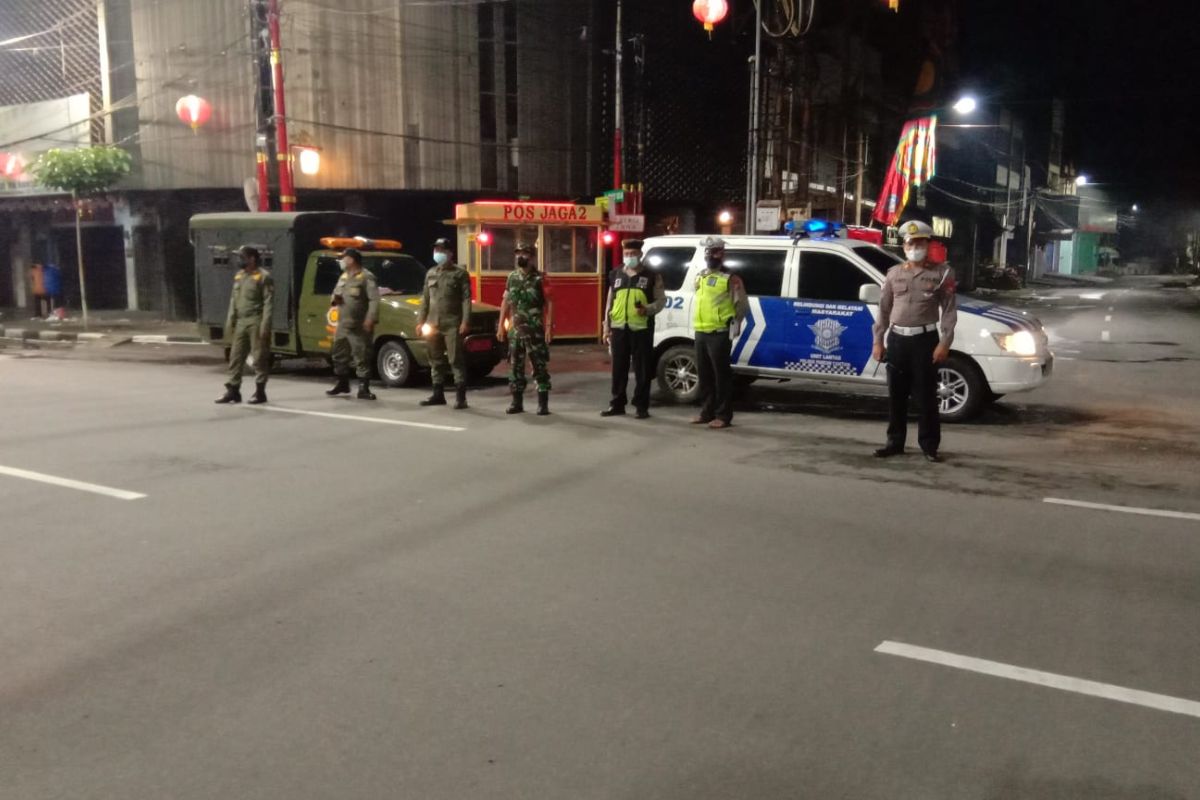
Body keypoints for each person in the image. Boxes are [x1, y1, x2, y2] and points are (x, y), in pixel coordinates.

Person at [871, 219, 958, 463]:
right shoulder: (894, 274)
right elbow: (884, 310)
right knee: (896, 395)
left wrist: (944, 343)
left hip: (925, 341)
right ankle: (894, 442)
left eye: (919, 242)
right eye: (910, 243)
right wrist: (879, 340)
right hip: (898, 340)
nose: (914, 246)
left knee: (926, 396)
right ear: (904, 245)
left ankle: (929, 445)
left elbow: (949, 311)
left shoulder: (942, 274)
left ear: (927, 244)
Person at [601, 238, 666, 419]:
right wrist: (606, 327)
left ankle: (641, 406)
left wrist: (648, 310)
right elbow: (609, 302)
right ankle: (617, 404)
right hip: (619, 328)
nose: (629, 257)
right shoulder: (616, 274)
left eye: (633, 254)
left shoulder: (652, 276)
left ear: (640, 255)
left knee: (642, 370)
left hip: (642, 328)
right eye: (627, 254)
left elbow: (661, 301)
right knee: (618, 369)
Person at [691, 236, 747, 429]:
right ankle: (706, 412)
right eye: (708, 252)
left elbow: (741, 305)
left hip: (719, 332)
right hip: (701, 331)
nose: (710, 255)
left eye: (714, 252)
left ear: (722, 254)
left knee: (720, 376)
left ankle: (723, 415)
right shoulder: (700, 275)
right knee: (704, 375)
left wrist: (735, 325)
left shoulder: (730, 278)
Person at [416, 237, 473, 409]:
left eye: (442, 250)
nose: (438, 253)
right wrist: (420, 321)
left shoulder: (460, 273)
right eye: (436, 250)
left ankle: (461, 397)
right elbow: (425, 299)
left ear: (450, 253)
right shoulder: (431, 273)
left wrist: (465, 321)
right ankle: (437, 393)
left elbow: (466, 299)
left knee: (456, 359)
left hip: (452, 323)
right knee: (435, 359)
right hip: (433, 323)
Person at [497, 241, 553, 415]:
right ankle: (516, 402)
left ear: (532, 257)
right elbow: (505, 301)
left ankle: (542, 403)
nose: (520, 257)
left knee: (539, 365)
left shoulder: (540, 278)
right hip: (515, 330)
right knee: (515, 366)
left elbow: (549, 302)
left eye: (524, 254)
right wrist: (501, 325)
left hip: (534, 329)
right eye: (518, 253)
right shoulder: (512, 277)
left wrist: (549, 326)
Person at [215, 246, 274, 404]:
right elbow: (233, 300)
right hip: (241, 321)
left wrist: (265, 325)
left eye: (242, 257)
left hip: (256, 320)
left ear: (252, 258)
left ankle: (260, 392)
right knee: (236, 356)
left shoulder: (263, 277)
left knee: (259, 357)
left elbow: (268, 303)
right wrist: (230, 321)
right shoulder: (239, 276)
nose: (238, 260)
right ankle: (233, 390)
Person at [326, 247, 380, 400]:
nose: (342, 260)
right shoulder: (344, 276)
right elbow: (335, 293)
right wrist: (334, 300)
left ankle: (363, 388)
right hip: (343, 324)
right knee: (338, 354)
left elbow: (374, 299)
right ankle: (342, 383)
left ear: (352, 259)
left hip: (358, 325)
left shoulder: (366, 277)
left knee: (361, 355)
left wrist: (370, 319)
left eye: (344, 257)